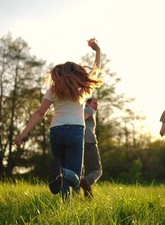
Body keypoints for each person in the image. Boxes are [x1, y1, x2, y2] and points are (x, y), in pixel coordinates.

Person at [14, 38, 102, 201]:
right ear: (78, 74)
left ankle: (64, 199)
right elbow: (96, 70)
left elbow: (40, 113)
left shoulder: (53, 90)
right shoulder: (82, 89)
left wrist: (23, 133)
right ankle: (62, 172)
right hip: (75, 131)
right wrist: (97, 51)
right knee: (74, 175)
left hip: (56, 131)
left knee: (61, 177)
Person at [78, 97, 102, 198]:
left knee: (80, 170)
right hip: (90, 143)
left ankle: (75, 195)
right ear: (87, 104)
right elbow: (81, 118)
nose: (96, 105)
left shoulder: (85, 110)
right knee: (97, 170)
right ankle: (86, 182)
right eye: (94, 103)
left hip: (80, 142)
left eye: (97, 104)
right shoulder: (89, 110)